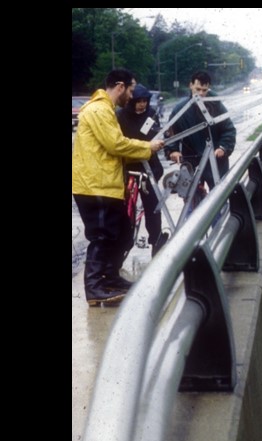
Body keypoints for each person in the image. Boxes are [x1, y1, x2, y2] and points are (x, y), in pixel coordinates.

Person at [72, 69, 165, 306]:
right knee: (102, 237)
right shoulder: (99, 110)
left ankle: (110, 278)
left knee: (122, 233)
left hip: (104, 184)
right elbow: (115, 144)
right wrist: (148, 147)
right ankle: (94, 288)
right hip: (95, 185)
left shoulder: (105, 110)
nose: (132, 97)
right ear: (121, 86)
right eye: (131, 91)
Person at [116, 83, 169, 257]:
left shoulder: (151, 114)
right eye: (138, 101)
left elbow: (154, 134)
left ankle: (156, 240)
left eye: (145, 101)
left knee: (153, 205)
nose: (142, 105)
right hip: (128, 164)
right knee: (124, 206)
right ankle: (123, 242)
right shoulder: (120, 115)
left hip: (148, 165)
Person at [164, 71, 236, 196]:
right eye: (198, 89)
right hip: (191, 160)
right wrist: (173, 150)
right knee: (191, 199)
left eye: (204, 90)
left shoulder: (216, 105)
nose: (201, 94)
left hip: (216, 159)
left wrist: (223, 148)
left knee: (219, 197)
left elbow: (229, 129)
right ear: (190, 85)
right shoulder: (180, 109)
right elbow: (170, 132)